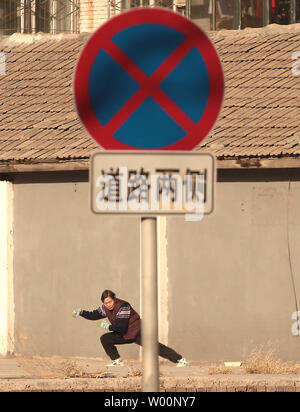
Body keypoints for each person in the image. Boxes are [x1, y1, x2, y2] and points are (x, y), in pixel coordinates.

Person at [72, 289, 189, 367]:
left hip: (136, 331)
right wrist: (81, 312)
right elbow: (93, 315)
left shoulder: (123, 306)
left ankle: (180, 360)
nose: (108, 305)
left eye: (110, 301)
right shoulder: (105, 308)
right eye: (105, 303)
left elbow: (121, 326)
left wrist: (107, 326)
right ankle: (117, 361)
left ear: (115, 299)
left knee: (154, 346)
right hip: (124, 334)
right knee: (105, 339)